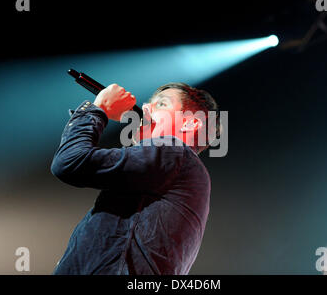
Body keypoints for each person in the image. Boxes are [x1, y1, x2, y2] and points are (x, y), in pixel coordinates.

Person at [50, 82, 220, 274]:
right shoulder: (178, 170)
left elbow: (71, 162)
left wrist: (99, 109)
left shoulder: (174, 152)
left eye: (162, 104)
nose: (146, 107)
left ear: (191, 122)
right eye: (149, 103)